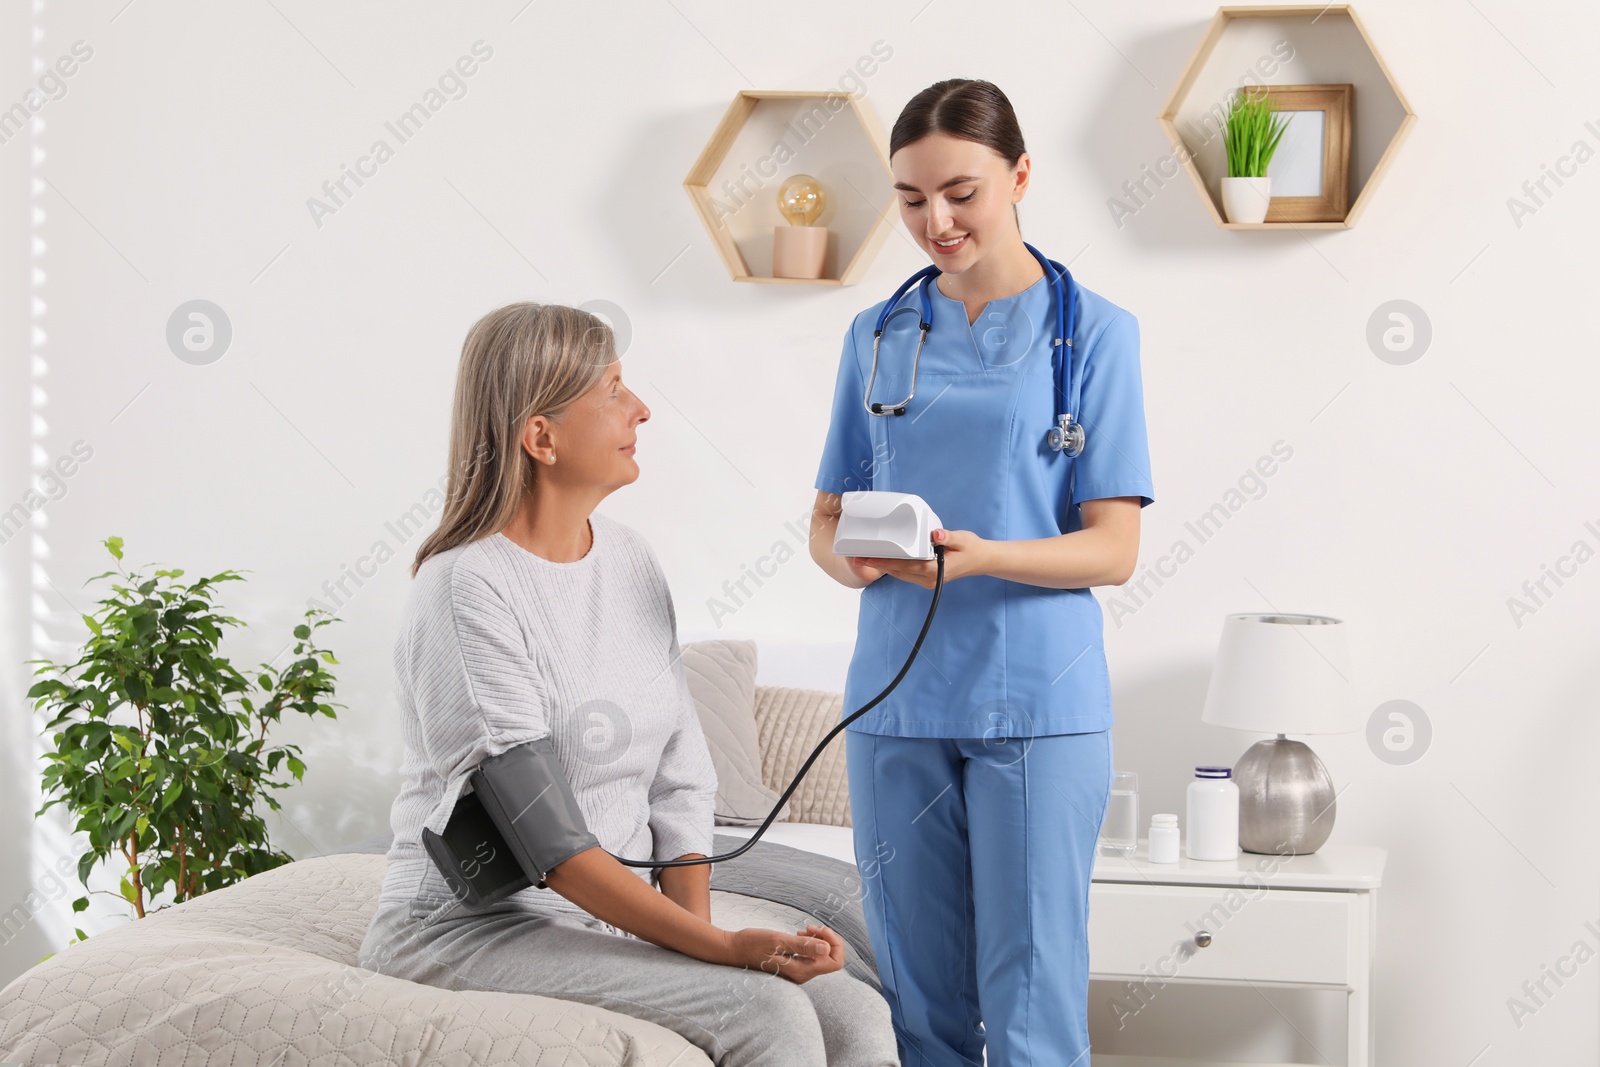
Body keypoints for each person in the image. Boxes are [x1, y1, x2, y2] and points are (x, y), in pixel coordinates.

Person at [358, 302, 899, 1066]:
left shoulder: (630, 559)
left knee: (857, 1019)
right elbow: (543, 837)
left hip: (602, 920)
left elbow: (681, 784)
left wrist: (703, 941)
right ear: (540, 436)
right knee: (770, 1014)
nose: (641, 408)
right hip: (469, 926)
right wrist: (718, 949)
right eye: (612, 390)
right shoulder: (466, 587)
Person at [808, 79, 1156, 1067]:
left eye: (960, 192)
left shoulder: (1093, 331)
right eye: (911, 199)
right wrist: (857, 560)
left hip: (1034, 700)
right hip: (893, 699)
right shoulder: (876, 334)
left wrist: (983, 557)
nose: (936, 221)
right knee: (918, 1005)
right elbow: (827, 520)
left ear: (1021, 175)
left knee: (1034, 1003)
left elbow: (1112, 547)